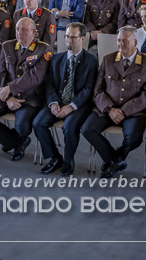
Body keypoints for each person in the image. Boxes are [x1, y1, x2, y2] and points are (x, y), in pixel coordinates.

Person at [0, 17, 52, 162]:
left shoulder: (43, 49)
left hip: (28, 98)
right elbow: (0, 73)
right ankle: (17, 142)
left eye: (24, 30)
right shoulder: (7, 46)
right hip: (5, 95)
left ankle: (18, 142)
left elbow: (35, 77)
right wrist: (8, 96)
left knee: (22, 127)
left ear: (33, 32)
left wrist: (10, 88)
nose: (19, 33)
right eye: (17, 29)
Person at [85, 26, 146, 178]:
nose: (120, 44)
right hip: (107, 109)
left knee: (133, 139)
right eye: (119, 40)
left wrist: (124, 111)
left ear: (135, 42)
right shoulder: (108, 59)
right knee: (87, 129)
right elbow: (98, 90)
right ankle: (116, 161)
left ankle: (113, 161)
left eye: (125, 41)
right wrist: (109, 109)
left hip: (134, 112)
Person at [35, 22, 99, 176]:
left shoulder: (91, 60)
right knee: (38, 123)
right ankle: (55, 157)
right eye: (67, 36)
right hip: (58, 101)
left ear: (82, 38)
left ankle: (68, 160)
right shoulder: (56, 58)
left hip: (79, 105)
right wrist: (53, 103)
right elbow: (49, 84)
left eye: (73, 37)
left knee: (69, 127)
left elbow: (88, 89)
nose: (69, 40)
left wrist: (71, 106)